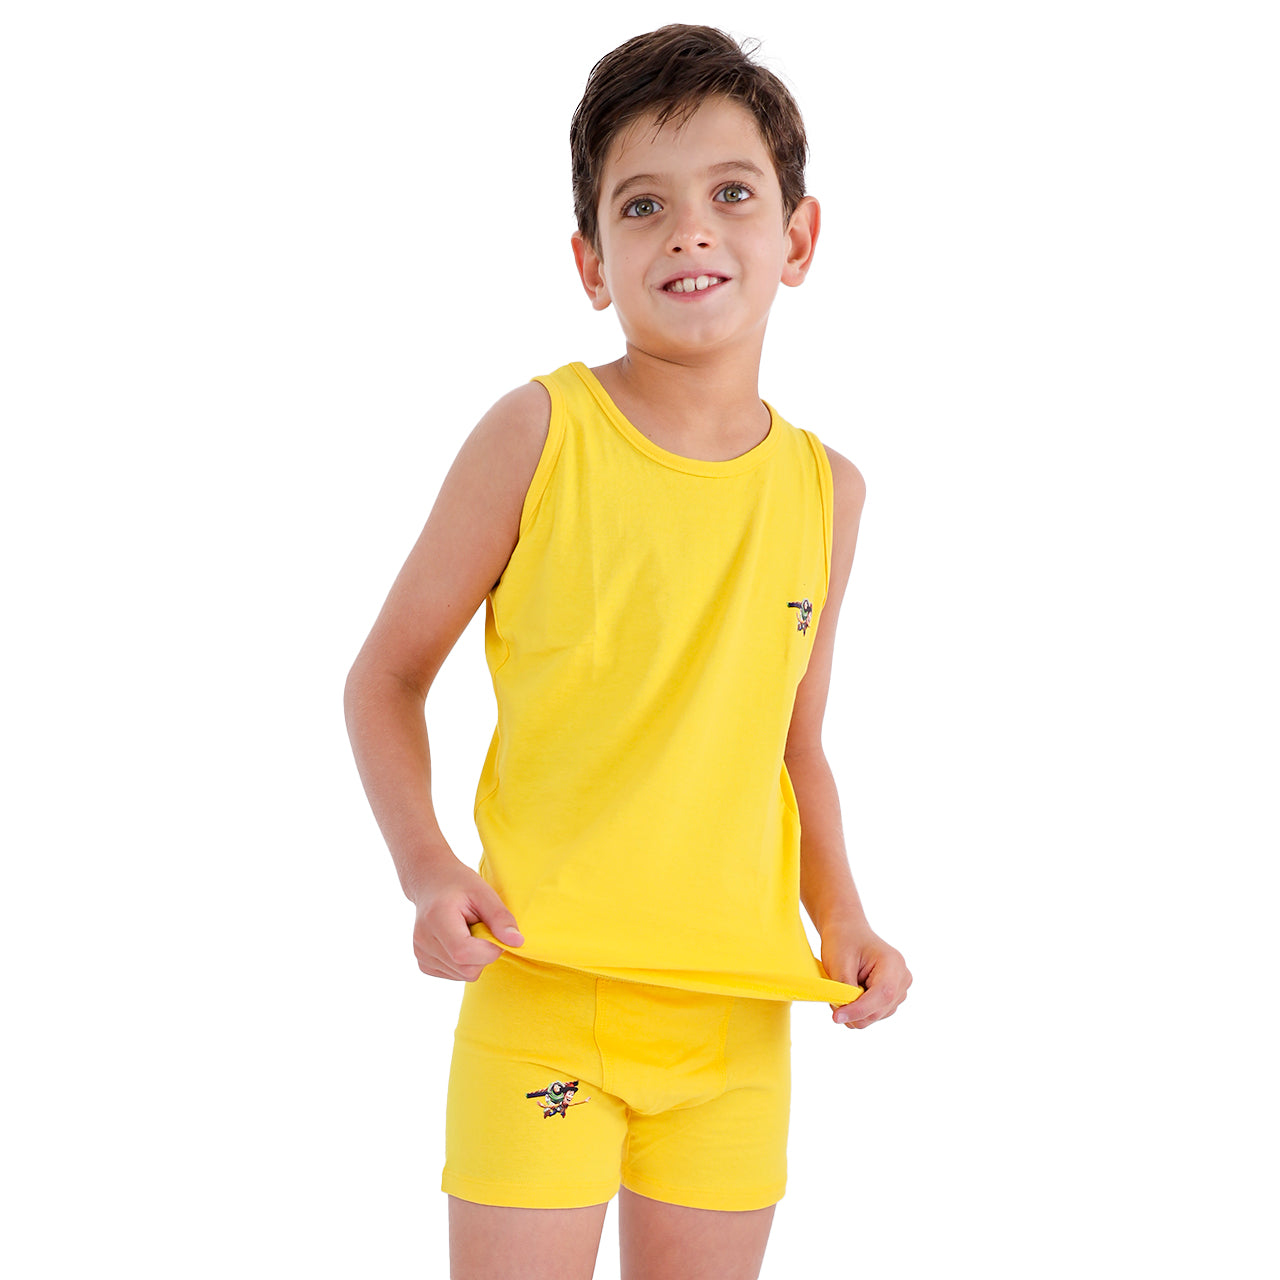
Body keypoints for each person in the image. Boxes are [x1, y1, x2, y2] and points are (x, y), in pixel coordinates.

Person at [344, 24, 912, 1280]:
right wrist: (427, 867)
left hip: (738, 1020)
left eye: (731, 194)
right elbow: (384, 676)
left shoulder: (828, 491)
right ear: (591, 262)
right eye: (642, 205)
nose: (689, 232)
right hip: (544, 991)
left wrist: (845, 914)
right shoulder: (537, 431)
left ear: (797, 238)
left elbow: (793, 745)